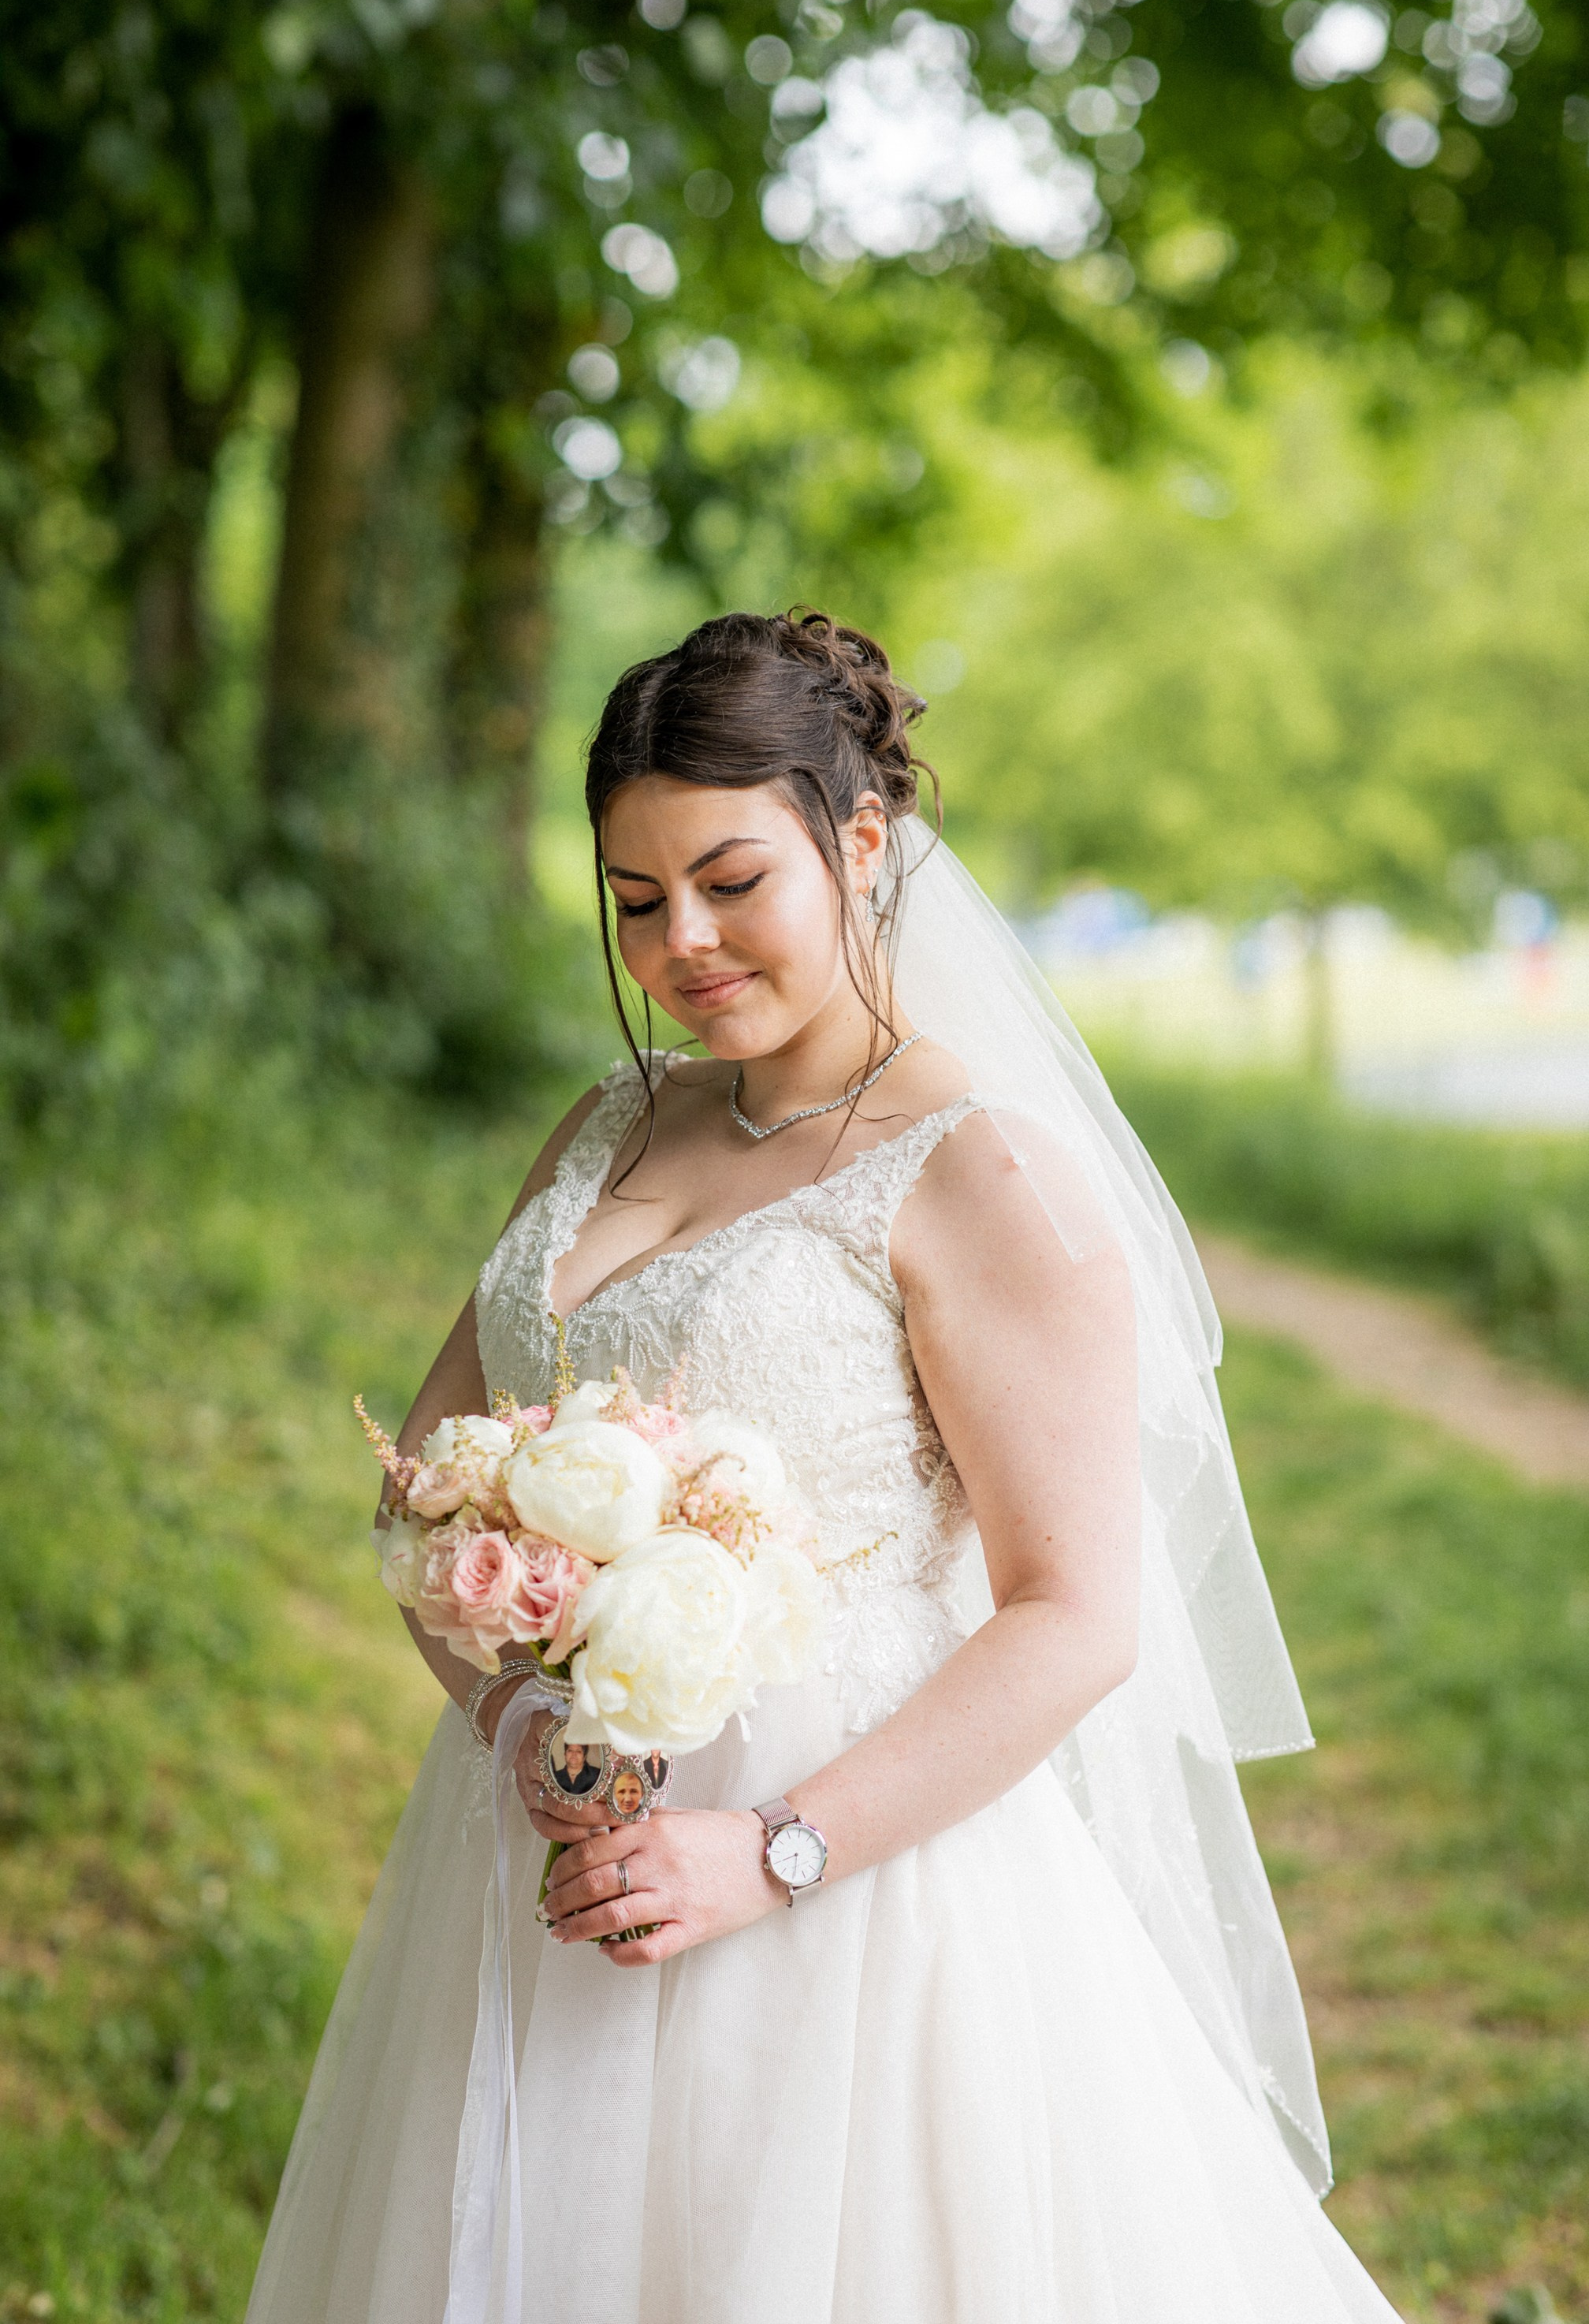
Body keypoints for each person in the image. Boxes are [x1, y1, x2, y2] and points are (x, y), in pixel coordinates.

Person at [246, 610, 1406, 2324]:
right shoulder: (605, 1125)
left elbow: (1075, 1612)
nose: (681, 944)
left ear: (859, 845)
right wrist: (514, 1719)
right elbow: (428, 1477)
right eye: (635, 901)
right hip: (550, 1848)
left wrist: (772, 1850)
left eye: (729, 882)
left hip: (850, 1899)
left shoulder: (974, 1173)